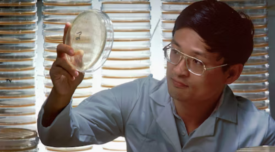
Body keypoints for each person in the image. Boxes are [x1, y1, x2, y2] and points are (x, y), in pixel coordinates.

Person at [37, 0, 275, 151]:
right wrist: (61, 95)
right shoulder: (135, 100)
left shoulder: (261, 132)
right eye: (175, 52)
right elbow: (59, 136)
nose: (178, 69)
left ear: (231, 73)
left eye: (196, 62)